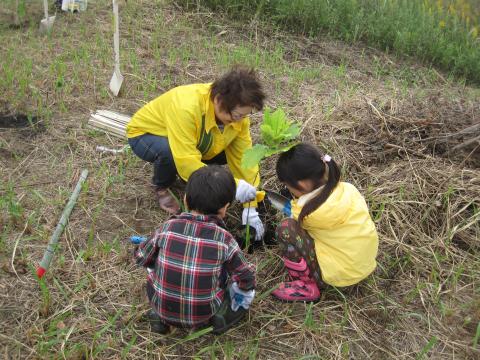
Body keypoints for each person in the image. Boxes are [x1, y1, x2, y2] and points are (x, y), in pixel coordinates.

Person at [127, 66, 266, 241]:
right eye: (237, 115)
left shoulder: (238, 118)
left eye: (245, 116)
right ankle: (161, 186)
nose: (240, 120)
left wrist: (251, 205)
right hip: (146, 135)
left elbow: (245, 158)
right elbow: (186, 161)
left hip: (192, 140)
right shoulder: (186, 106)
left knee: (226, 151)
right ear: (218, 100)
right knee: (169, 152)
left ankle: (200, 177)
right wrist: (234, 185)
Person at [134, 166, 256, 334]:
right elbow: (246, 276)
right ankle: (221, 317)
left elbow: (141, 257)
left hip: (162, 307)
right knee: (227, 276)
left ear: (185, 200)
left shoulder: (167, 227)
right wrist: (244, 292)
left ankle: (160, 317)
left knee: (154, 265)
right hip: (203, 314)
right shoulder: (225, 239)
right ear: (225, 208)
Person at [271, 143, 378, 302]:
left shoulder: (308, 214)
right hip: (364, 265)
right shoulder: (348, 189)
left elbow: (296, 218)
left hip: (339, 279)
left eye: (287, 185)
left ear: (301, 184)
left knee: (286, 228)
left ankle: (306, 285)